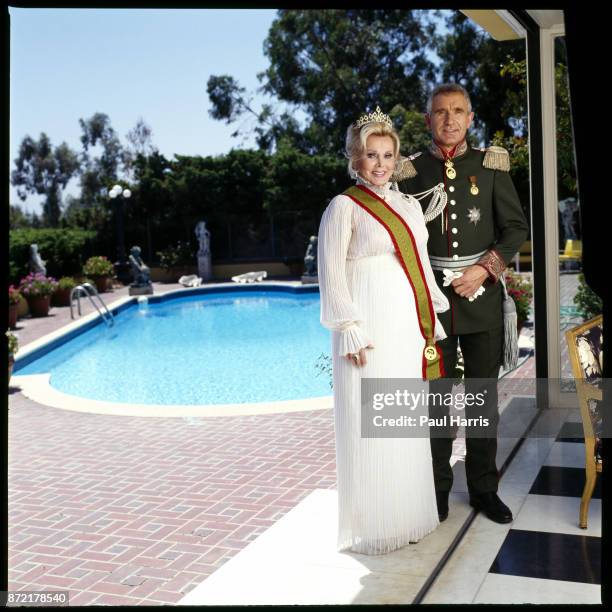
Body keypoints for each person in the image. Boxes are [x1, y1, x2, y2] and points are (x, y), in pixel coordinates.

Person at [317, 106, 450, 555]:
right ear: (356, 159)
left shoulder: (408, 205)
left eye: (388, 155)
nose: (380, 164)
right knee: (369, 424)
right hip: (368, 327)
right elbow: (330, 273)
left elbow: (419, 262)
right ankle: (376, 524)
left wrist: (431, 315)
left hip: (405, 326)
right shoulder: (343, 207)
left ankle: (409, 516)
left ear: (396, 159)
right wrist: (349, 328)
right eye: (371, 155)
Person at [395, 83, 529, 524]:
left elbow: (514, 229)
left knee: (481, 400)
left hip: (482, 298)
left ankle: (484, 491)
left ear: (470, 118)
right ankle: (435, 492)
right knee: (435, 403)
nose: (449, 119)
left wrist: (485, 269)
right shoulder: (408, 172)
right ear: (428, 119)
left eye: (458, 111)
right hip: (431, 303)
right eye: (440, 112)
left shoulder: (490, 166)